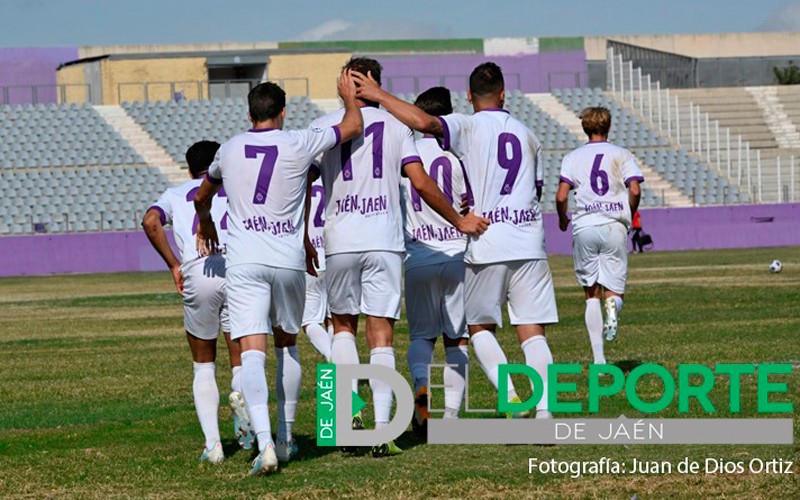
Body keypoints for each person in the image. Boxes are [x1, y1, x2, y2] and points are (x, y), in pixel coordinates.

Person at [354, 61, 558, 420]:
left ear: (468, 96)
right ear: (504, 93)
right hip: (527, 241)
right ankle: (543, 411)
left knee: (478, 330)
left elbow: (423, 123)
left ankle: (509, 396)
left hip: (482, 241)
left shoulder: (464, 126)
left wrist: (377, 95)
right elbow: (536, 190)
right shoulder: (529, 134)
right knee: (531, 332)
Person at [309, 58, 488, 456]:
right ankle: (382, 430)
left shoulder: (323, 126)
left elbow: (302, 180)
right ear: (376, 83)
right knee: (382, 334)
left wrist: (301, 237)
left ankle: (344, 421)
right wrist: (458, 220)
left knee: (342, 328)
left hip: (339, 238)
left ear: (343, 82)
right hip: (384, 239)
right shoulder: (395, 125)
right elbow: (421, 182)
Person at [193, 74, 363, 476]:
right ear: (283, 113)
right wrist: (347, 97)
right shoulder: (299, 140)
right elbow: (353, 125)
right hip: (288, 259)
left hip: (245, 261)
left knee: (252, 351)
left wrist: (205, 222)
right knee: (287, 346)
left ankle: (265, 443)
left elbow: (203, 193)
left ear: (249, 114)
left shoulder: (230, 148)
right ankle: (286, 439)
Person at [142, 140, 254, 465]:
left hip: (199, 270)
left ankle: (214, 447)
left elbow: (151, 221)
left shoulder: (177, 193)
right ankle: (245, 410)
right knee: (241, 359)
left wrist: (174, 264)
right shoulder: (235, 187)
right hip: (236, 268)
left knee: (203, 364)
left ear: (190, 169)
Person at [401, 87, 470, 432]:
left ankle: (420, 390)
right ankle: (452, 417)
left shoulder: (405, 156)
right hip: (457, 254)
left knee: (421, 338)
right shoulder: (459, 156)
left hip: (418, 256)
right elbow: (470, 205)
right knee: (457, 339)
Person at [555, 106, 643, 364]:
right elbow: (635, 190)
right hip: (613, 224)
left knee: (591, 293)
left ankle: (599, 361)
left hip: (584, 225)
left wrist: (562, 218)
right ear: (609, 126)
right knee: (614, 291)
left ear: (584, 127)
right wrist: (628, 212)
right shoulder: (622, 154)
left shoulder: (572, 157)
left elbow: (561, 195)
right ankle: (613, 308)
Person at [302, 173, 333, 360]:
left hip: (309, 257)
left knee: (310, 321)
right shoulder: (331, 176)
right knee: (336, 321)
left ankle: (334, 359)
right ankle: (337, 381)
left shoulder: (296, 178)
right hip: (334, 253)